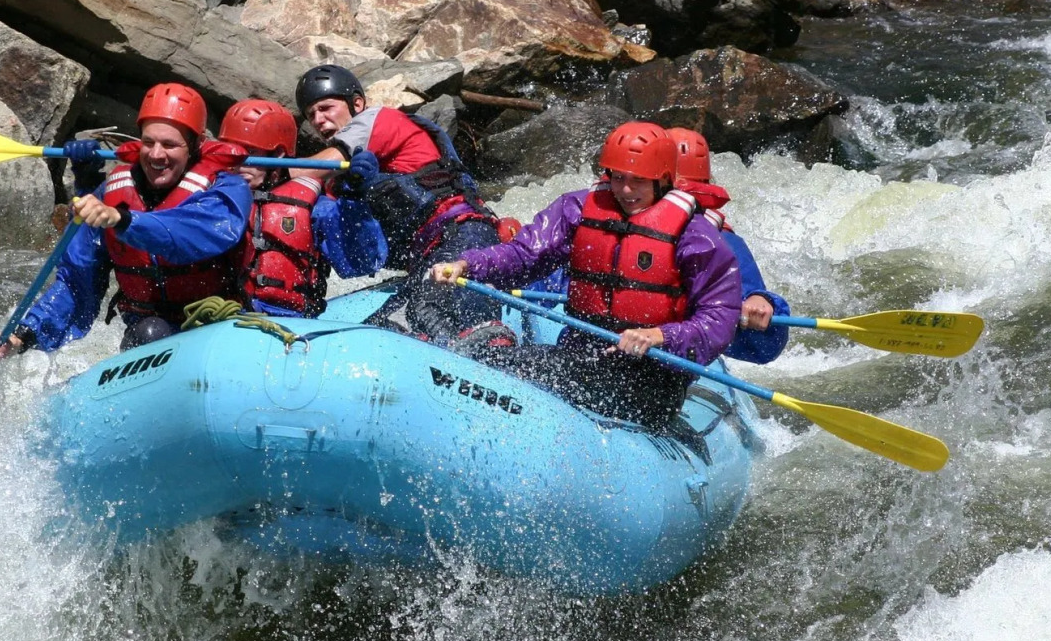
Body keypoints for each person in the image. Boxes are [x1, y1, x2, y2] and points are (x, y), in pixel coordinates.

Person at [430, 122, 741, 429]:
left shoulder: (696, 237)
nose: (625, 190)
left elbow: (720, 318)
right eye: (617, 178)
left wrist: (660, 336)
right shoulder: (577, 209)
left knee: (513, 365)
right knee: (491, 360)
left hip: (651, 379)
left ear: (663, 180)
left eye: (638, 181)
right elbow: (525, 255)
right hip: (580, 356)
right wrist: (468, 264)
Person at [0, 82, 252, 362]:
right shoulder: (110, 196)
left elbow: (192, 233)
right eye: (149, 142)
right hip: (149, 333)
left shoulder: (227, 190)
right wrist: (20, 336)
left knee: (156, 333)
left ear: (195, 145)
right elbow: (76, 284)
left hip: (217, 329)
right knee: (150, 333)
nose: (156, 154)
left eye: (170, 144)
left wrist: (122, 220)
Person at [294, 64, 511, 347]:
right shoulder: (344, 183)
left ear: (356, 103)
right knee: (378, 333)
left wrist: (257, 173)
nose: (319, 120)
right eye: (312, 115)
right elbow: (357, 260)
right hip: (430, 256)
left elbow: (306, 172)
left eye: (326, 108)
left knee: (428, 316)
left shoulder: (377, 120)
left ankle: (496, 358)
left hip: (464, 236)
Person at [217, 98, 389, 316]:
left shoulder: (314, 205)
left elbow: (361, 264)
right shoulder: (212, 196)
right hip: (226, 315)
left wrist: (354, 199)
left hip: (290, 318)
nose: (240, 163)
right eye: (233, 152)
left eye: (251, 152)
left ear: (278, 155)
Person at [669, 128, 790, 365]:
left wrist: (760, 301)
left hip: (674, 352)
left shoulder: (724, 242)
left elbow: (762, 349)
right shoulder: (599, 225)